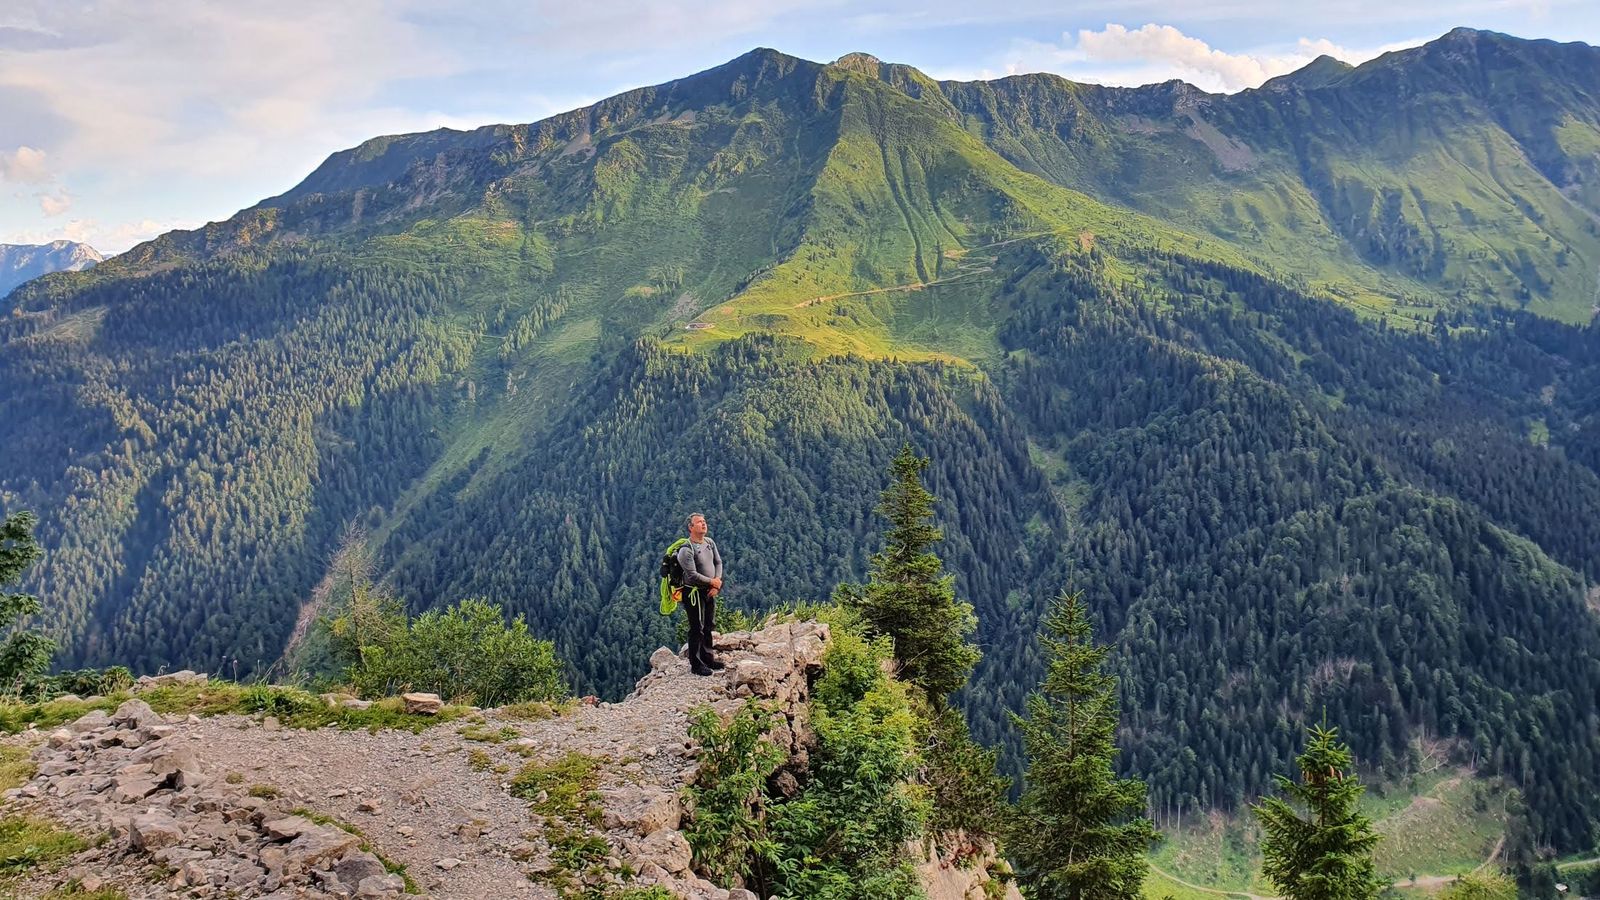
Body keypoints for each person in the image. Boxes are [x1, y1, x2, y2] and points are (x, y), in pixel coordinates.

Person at [677, 512, 725, 676]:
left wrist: (717, 582)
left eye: (704, 521)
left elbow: (718, 562)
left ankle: (708, 658)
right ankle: (696, 664)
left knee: (709, 624)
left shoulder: (709, 543)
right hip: (693, 593)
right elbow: (691, 575)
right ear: (690, 528)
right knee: (697, 627)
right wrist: (712, 582)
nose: (703, 524)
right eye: (699, 522)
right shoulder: (686, 550)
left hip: (709, 590)